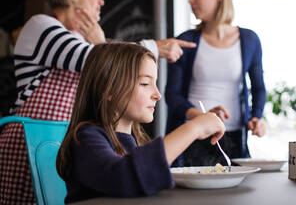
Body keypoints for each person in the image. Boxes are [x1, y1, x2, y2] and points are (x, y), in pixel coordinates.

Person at [0, 0, 195, 204]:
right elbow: (96, 62)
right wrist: (154, 47)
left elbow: (105, 61)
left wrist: (102, 43)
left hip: (58, 141)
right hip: (29, 143)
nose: (101, 1)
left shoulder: (79, 40)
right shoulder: (41, 25)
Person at [56, 43, 225, 203]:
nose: (157, 94)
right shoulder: (85, 138)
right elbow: (123, 178)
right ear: (107, 89)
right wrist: (193, 128)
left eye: (155, 84)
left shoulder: (136, 140)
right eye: (145, 83)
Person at [165, 0, 266, 167]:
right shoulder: (186, 40)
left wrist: (256, 116)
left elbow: (259, 87)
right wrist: (202, 118)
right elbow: (172, 95)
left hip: (236, 136)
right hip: (194, 136)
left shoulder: (249, 40)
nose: (190, 0)